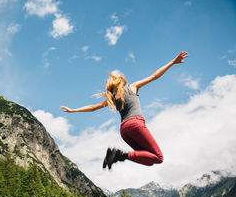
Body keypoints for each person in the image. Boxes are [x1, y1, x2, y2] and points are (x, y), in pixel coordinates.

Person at [60, 51, 188, 170]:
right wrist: (172, 62)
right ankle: (119, 155)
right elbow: (155, 76)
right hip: (136, 124)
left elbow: (93, 107)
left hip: (124, 130)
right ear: (122, 81)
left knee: (149, 160)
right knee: (159, 158)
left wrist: (74, 110)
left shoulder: (112, 98)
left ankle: (119, 156)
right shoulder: (132, 87)